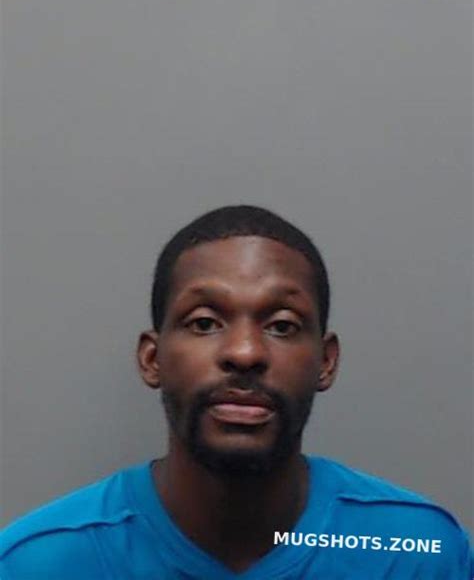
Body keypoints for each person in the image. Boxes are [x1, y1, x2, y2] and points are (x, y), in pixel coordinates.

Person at [0, 205, 472, 579]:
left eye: (282, 325)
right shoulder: (38, 564)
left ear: (326, 361)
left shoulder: (416, 553)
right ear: (152, 358)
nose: (245, 352)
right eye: (204, 323)